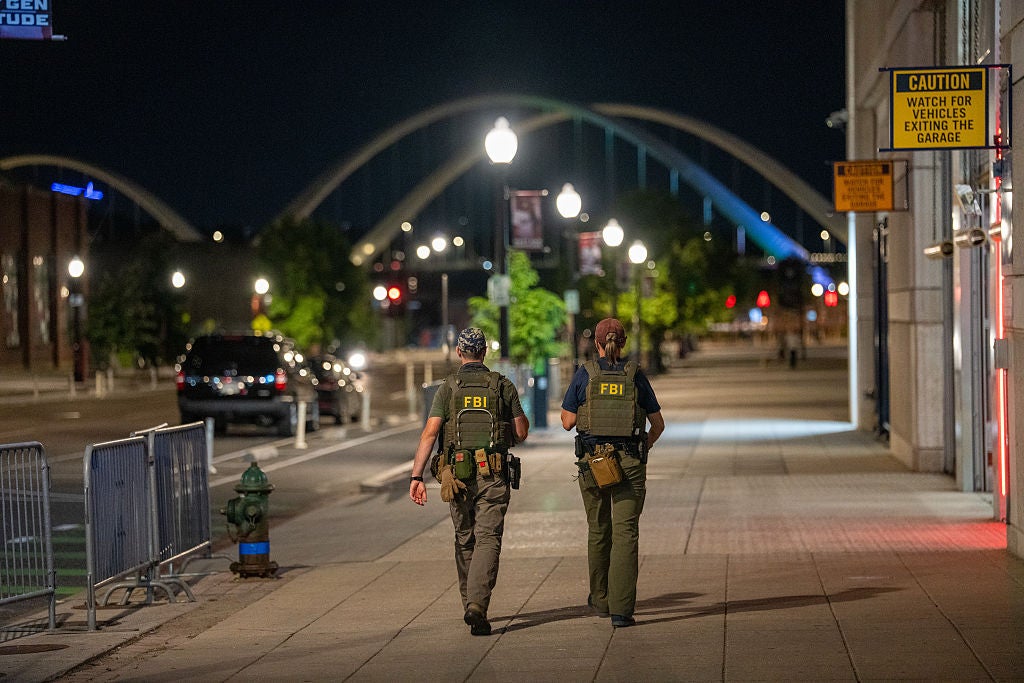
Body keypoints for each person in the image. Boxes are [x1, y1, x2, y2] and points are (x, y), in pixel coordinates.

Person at [409, 327, 529, 636]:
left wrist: (416, 476)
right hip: (493, 475)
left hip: (456, 475)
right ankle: (477, 605)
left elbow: (430, 433)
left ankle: (470, 605)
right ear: (484, 352)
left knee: (465, 539)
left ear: (459, 353)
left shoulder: (449, 387)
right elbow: (521, 431)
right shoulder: (502, 385)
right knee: (488, 538)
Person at [560, 318, 664, 628]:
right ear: (624, 343)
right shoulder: (635, 375)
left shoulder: (586, 374)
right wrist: (643, 445)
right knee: (626, 533)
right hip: (630, 462)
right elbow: (658, 425)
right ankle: (622, 611)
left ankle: (601, 599)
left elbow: (567, 422)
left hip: (593, 463)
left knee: (598, 528)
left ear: (597, 343)